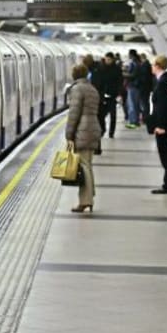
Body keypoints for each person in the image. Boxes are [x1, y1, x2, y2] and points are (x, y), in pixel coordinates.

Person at [65, 63, 102, 214]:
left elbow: (74, 114)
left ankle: (86, 201)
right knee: (87, 165)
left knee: (84, 167)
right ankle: (89, 197)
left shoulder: (77, 89)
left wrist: (69, 135)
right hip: (93, 128)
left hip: (83, 129)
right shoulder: (92, 88)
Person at [148, 55, 167, 194]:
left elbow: (162, 106)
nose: (151, 67)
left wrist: (161, 126)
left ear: (158, 65)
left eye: (153, 64)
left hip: (164, 126)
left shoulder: (163, 82)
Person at [96, 53, 123, 139]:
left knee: (113, 115)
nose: (107, 61)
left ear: (112, 60)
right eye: (106, 59)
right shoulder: (101, 68)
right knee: (102, 115)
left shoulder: (117, 69)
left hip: (113, 95)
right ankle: (103, 129)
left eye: (109, 60)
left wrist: (119, 93)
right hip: (103, 95)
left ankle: (111, 132)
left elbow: (120, 82)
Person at [124, 50, 142, 128]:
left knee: (132, 105)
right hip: (137, 86)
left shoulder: (133, 64)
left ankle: (133, 122)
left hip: (133, 86)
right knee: (136, 104)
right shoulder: (138, 63)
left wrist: (124, 74)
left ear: (131, 55)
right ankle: (136, 121)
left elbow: (133, 75)